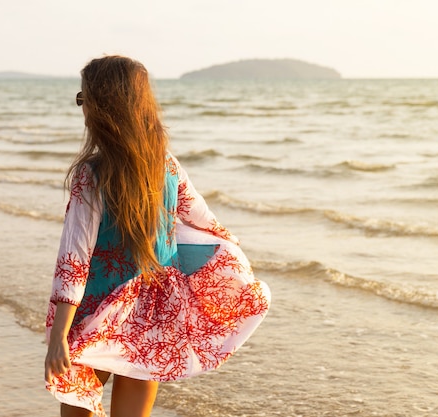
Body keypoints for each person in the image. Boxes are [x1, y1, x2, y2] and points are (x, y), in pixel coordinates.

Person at [44, 55, 270, 417]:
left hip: (98, 312)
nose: (82, 109)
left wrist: (58, 338)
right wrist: (234, 265)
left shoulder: (92, 175)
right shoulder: (166, 165)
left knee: (76, 411)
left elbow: (74, 262)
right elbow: (206, 224)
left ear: (102, 108)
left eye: (83, 99)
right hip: (154, 314)